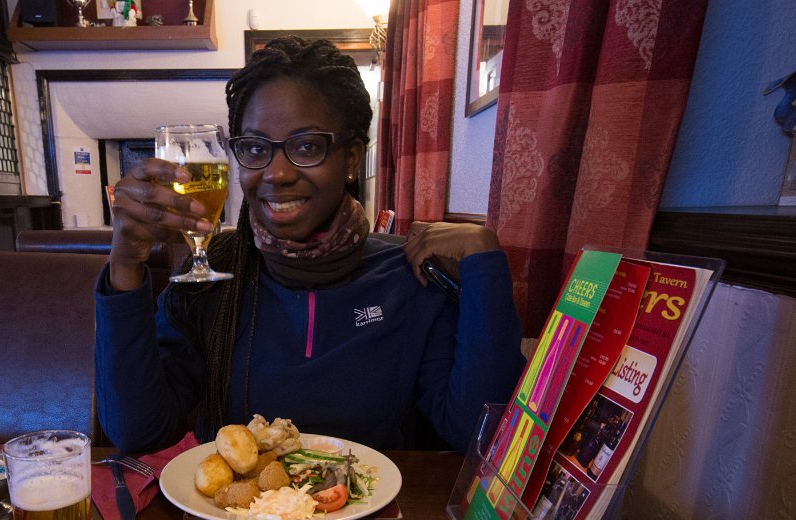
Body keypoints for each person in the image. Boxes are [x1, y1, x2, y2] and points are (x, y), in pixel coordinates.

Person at [94, 35, 524, 454]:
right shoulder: (212, 279)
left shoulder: (410, 275)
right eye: (256, 148)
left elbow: (477, 435)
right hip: (235, 505)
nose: (276, 173)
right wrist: (126, 264)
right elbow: (138, 432)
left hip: (372, 503)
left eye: (305, 146)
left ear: (351, 158)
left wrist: (483, 261)